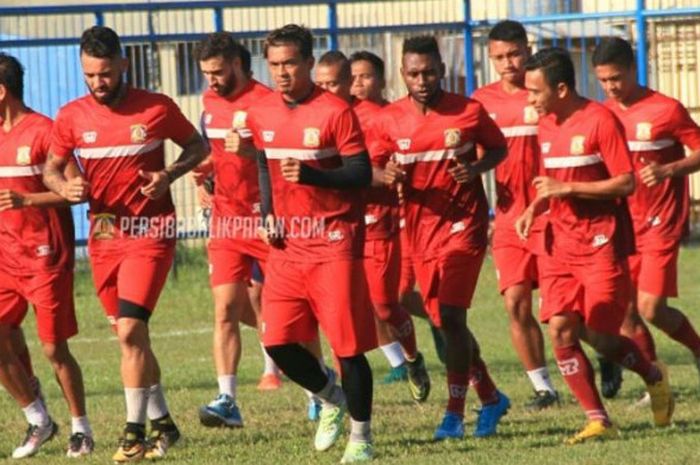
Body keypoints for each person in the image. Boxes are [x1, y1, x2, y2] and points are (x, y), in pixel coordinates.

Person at [43, 26, 207, 462]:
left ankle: (133, 434)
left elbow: (198, 145)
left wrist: (167, 175)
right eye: (91, 75)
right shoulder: (72, 116)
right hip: (104, 234)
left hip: (151, 231)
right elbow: (52, 169)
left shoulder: (156, 108)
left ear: (124, 65)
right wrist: (67, 186)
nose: (99, 83)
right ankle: (165, 424)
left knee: (132, 330)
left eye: (106, 73)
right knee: (127, 337)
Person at [517, 47, 673, 444]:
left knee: (601, 336)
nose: (529, 99)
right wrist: (535, 206)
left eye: (535, 91)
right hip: (558, 243)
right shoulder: (546, 125)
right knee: (561, 330)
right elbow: (551, 180)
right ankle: (598, 418)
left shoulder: (600, 120)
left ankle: (653, 376)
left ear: (562, 88)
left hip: (601, 241)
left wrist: (568, 188)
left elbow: (626, 182)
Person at [371, 35, 510, 440]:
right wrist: (387, 175)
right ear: (402, 74)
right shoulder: (388, 120)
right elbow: (370, 169)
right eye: (414, 73)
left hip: (464, 228)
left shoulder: (467, 111)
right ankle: (491, 396)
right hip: (418, 233)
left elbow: (498, 148)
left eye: (429, 71)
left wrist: (477, 167)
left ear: (442, 71)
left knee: (451, 316)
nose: (422, 80)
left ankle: (453, 414)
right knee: (443, 321)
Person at [247, 24, 376, 463]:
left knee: (346, 347)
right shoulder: (261, 112)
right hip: (287, 246)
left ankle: (362, 438)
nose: (281, 72)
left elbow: (360, 174)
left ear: (307, 63)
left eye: (290, 63)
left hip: (334, 241)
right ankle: (330, 397)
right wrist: (267, 214)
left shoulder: (336, 111)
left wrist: (314, 175)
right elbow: (265, 165)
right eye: (274, 64)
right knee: (278, 343)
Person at [316, 50, 430, 402]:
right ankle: (345, 393)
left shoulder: (384, 117)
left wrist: (392, 174)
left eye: (333, 83)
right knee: (339, 309)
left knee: (384, 303)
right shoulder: (319, 116)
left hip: (378, 222)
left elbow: (393, 163)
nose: (326, 89)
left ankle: (412, 358)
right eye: (321, 83)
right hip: (335, 226)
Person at [0, 52, 94, 458]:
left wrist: (27, 200)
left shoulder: (42, 131)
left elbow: (76, 188)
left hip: (45, 258)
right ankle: (38, 419)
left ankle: (81, 428)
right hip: (5, 257)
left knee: (55, 349)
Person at [593, 37, 700, 388]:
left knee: (652, 308)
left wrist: (668, 170)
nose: (611, 87)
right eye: (604, 80)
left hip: (661, 221)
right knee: (625, 310)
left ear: (633, 70)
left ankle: (698, 350)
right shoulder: (601, 113)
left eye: (617, 78)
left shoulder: (665, 109)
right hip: (621, 224)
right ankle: (656, 382)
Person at [192, 32, 282, 429]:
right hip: (227, 221)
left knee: (284, 312)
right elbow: (212, 152)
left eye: (218, 72)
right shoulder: (210, 103)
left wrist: (253, 152)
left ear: (238, 64)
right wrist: (202, 179)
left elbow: (283, 158)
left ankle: (321, 391)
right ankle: (228, 398)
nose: (211, 80)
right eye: (206, 73)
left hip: (268, 221)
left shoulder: (268, 103)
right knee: (226, 308)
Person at [471, 20, 559, 410]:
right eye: (499, 57)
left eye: (514, 54)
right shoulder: (482, 102)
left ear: (527, 49)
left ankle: (607, 359)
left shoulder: (548, 94)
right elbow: (472, 160)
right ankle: (543, 387)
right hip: (509, 218)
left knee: (566, 310)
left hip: (556, 212)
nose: (507, 63)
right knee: (515, 302)